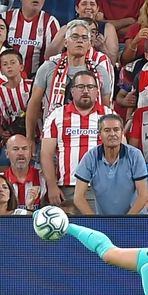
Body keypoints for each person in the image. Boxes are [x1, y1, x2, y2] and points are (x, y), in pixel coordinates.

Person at [40, 71, 113, 207]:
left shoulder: (108, 115)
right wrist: (51, 185)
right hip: (67, 187)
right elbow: (46, 154)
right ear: (72, 91)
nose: (85, 91)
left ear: (97, 91)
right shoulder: (57, 115)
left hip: (101, 187)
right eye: (81, 87)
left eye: (90, 87)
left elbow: (122, 152)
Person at [75, 114, 148, 215]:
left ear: (122, 133)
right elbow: (78, 198)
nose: (112, 134)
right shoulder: (90, 157)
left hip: (135, 219)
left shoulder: (135, 155)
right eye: (107, 130)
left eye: (116, 130)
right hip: (104, 222)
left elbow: (144, 196)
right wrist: (95, 222)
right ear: (99, 135)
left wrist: (124, 222)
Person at [5, 0, 60, 77]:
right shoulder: (5, 18)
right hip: (4, 80)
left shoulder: (50, 23)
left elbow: (53, 61)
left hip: (35, 82)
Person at [1, 134, 45, 209]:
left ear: (30, 152)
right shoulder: (0, 180)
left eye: (24, 149)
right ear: (7, 154)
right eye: (15, 149)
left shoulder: (43, 178)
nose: (20, 153)